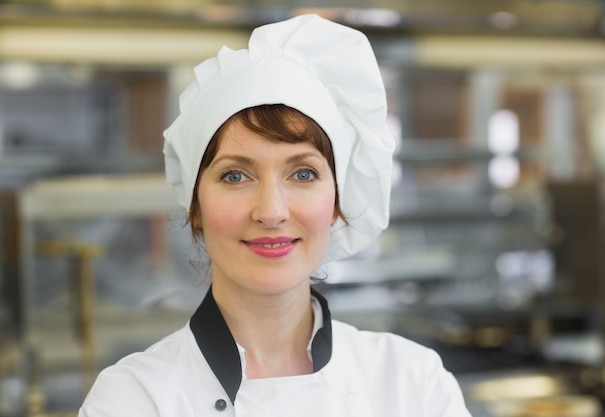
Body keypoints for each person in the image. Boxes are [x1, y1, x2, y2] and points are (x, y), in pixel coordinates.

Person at [78, 14, 472, 417]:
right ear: (195, 206)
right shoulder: (134, 399)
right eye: (235, 175)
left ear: (337, 201)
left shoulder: (412, 384)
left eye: (303, 173)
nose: (271, 211)